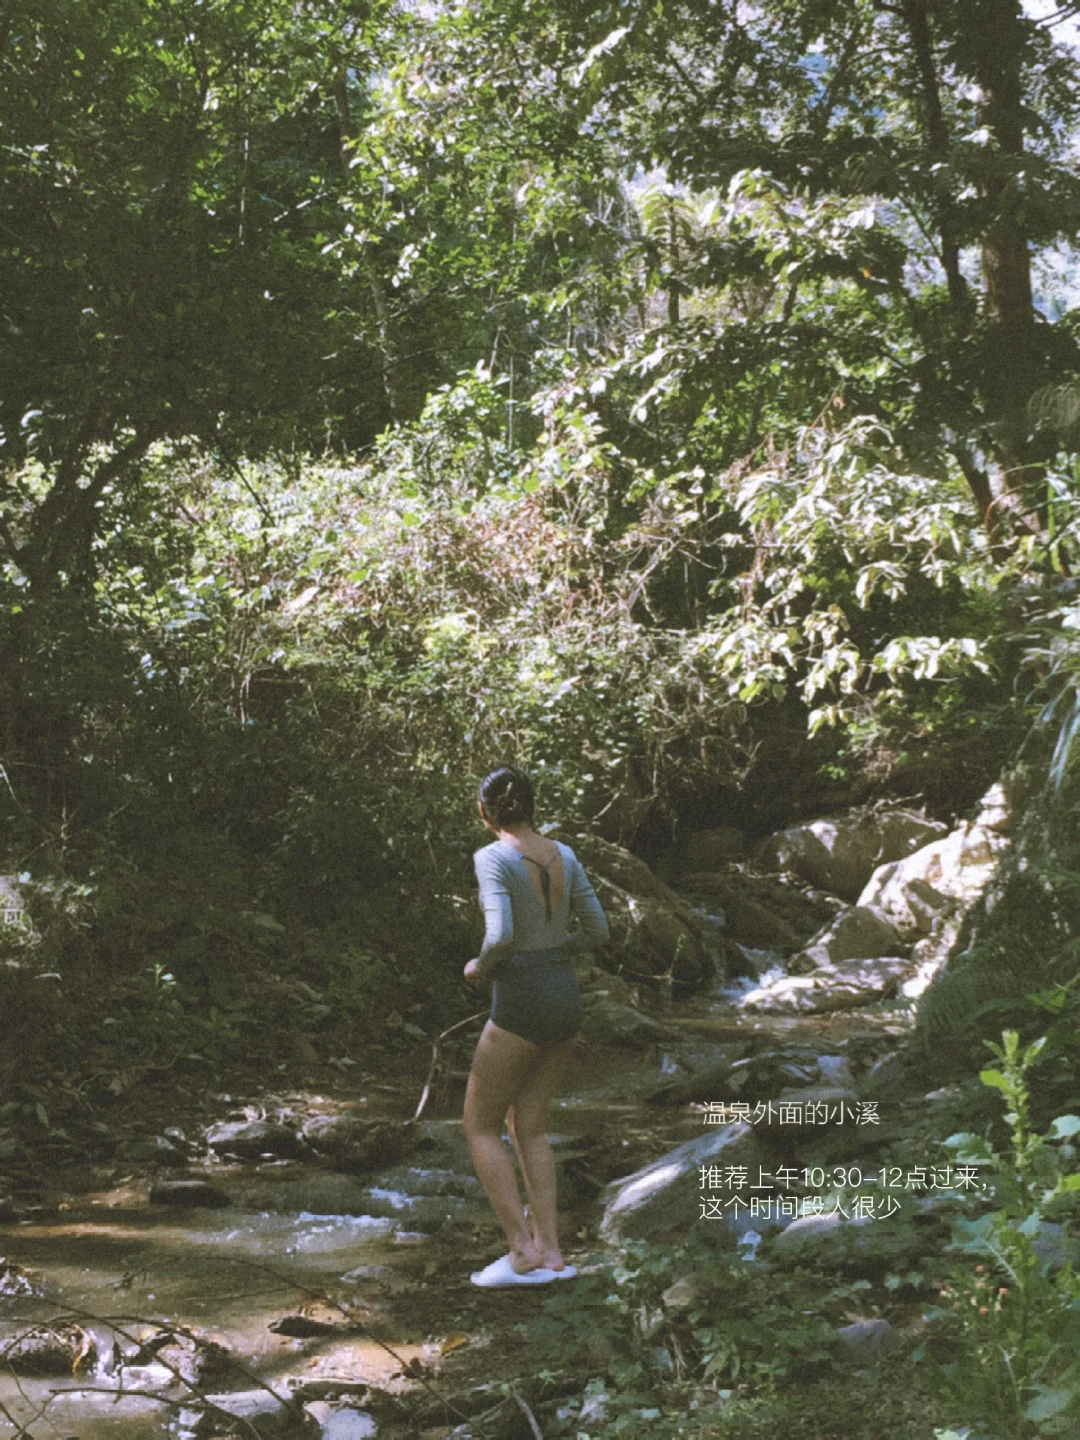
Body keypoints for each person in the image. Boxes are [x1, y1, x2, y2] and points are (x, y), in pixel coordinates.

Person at [462, 765, 610, 1287]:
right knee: (530, 1125)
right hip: (565, 997)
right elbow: (598, 930)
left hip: (521, 1001)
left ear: (485, 813)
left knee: (479, 1124)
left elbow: (499, 935)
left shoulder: (491, 857)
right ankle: (551, 1253)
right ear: (532, 805)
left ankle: (521, 1254)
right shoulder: (564, 854)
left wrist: (481, 966)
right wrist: (554, 952)